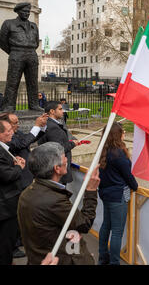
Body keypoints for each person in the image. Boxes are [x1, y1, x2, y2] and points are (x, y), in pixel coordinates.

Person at [17, 142, 100, 265]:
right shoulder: (54, 200)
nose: (67, 159)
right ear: (57, 168)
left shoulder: (27, 193)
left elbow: (52, 228)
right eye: (63, 157)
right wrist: (91, 191)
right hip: (59, 259)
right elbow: (84, 223)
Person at [0, 112, 47, 259]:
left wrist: (41, 128)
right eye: (13, 124)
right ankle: (13, 247)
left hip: (21, 181)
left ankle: (17, 241)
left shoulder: (16, 133)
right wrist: (18, 167)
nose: (16, 127)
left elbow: (29, 139)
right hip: (8, 198)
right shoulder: (7, 142)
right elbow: (22, 143)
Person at [98, 122, 138, 265]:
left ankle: (102, 258)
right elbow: (128, 176)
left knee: (106, 225)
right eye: (122, 132)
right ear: (117, 135)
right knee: (116, 231)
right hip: (117, 196)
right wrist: (135, 186)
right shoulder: (119, 154)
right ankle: (114, 262)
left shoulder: (103, 150)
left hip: (105, 194)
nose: (124, 134)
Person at [0, 2, 42, 112]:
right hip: (16, 53)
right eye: (24, 11)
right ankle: (9, 105)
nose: (27, 13)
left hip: (32, 54)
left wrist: (29, 50)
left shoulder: (33, 25)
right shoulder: (9, 24)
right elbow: (2, 42)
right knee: (12, 81)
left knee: (33, 82)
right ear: (18, 12)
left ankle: (34, 104)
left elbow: (36, 42)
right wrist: (13, 52)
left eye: (28, 12)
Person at [0, 119, 26, 265]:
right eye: (8, 130)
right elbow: (7, 175)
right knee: (6, 244)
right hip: (5, 208)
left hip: (7, 205)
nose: (12, 132)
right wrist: (18, 168)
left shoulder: (5, 149)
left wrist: (14, 163)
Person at [38, 101, 80, 184]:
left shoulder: (47, 123)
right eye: (60, 109)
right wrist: (73, 144)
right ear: (52, 111)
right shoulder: (53, 127)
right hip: (57, 170)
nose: (63, 111)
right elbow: (59, 149)